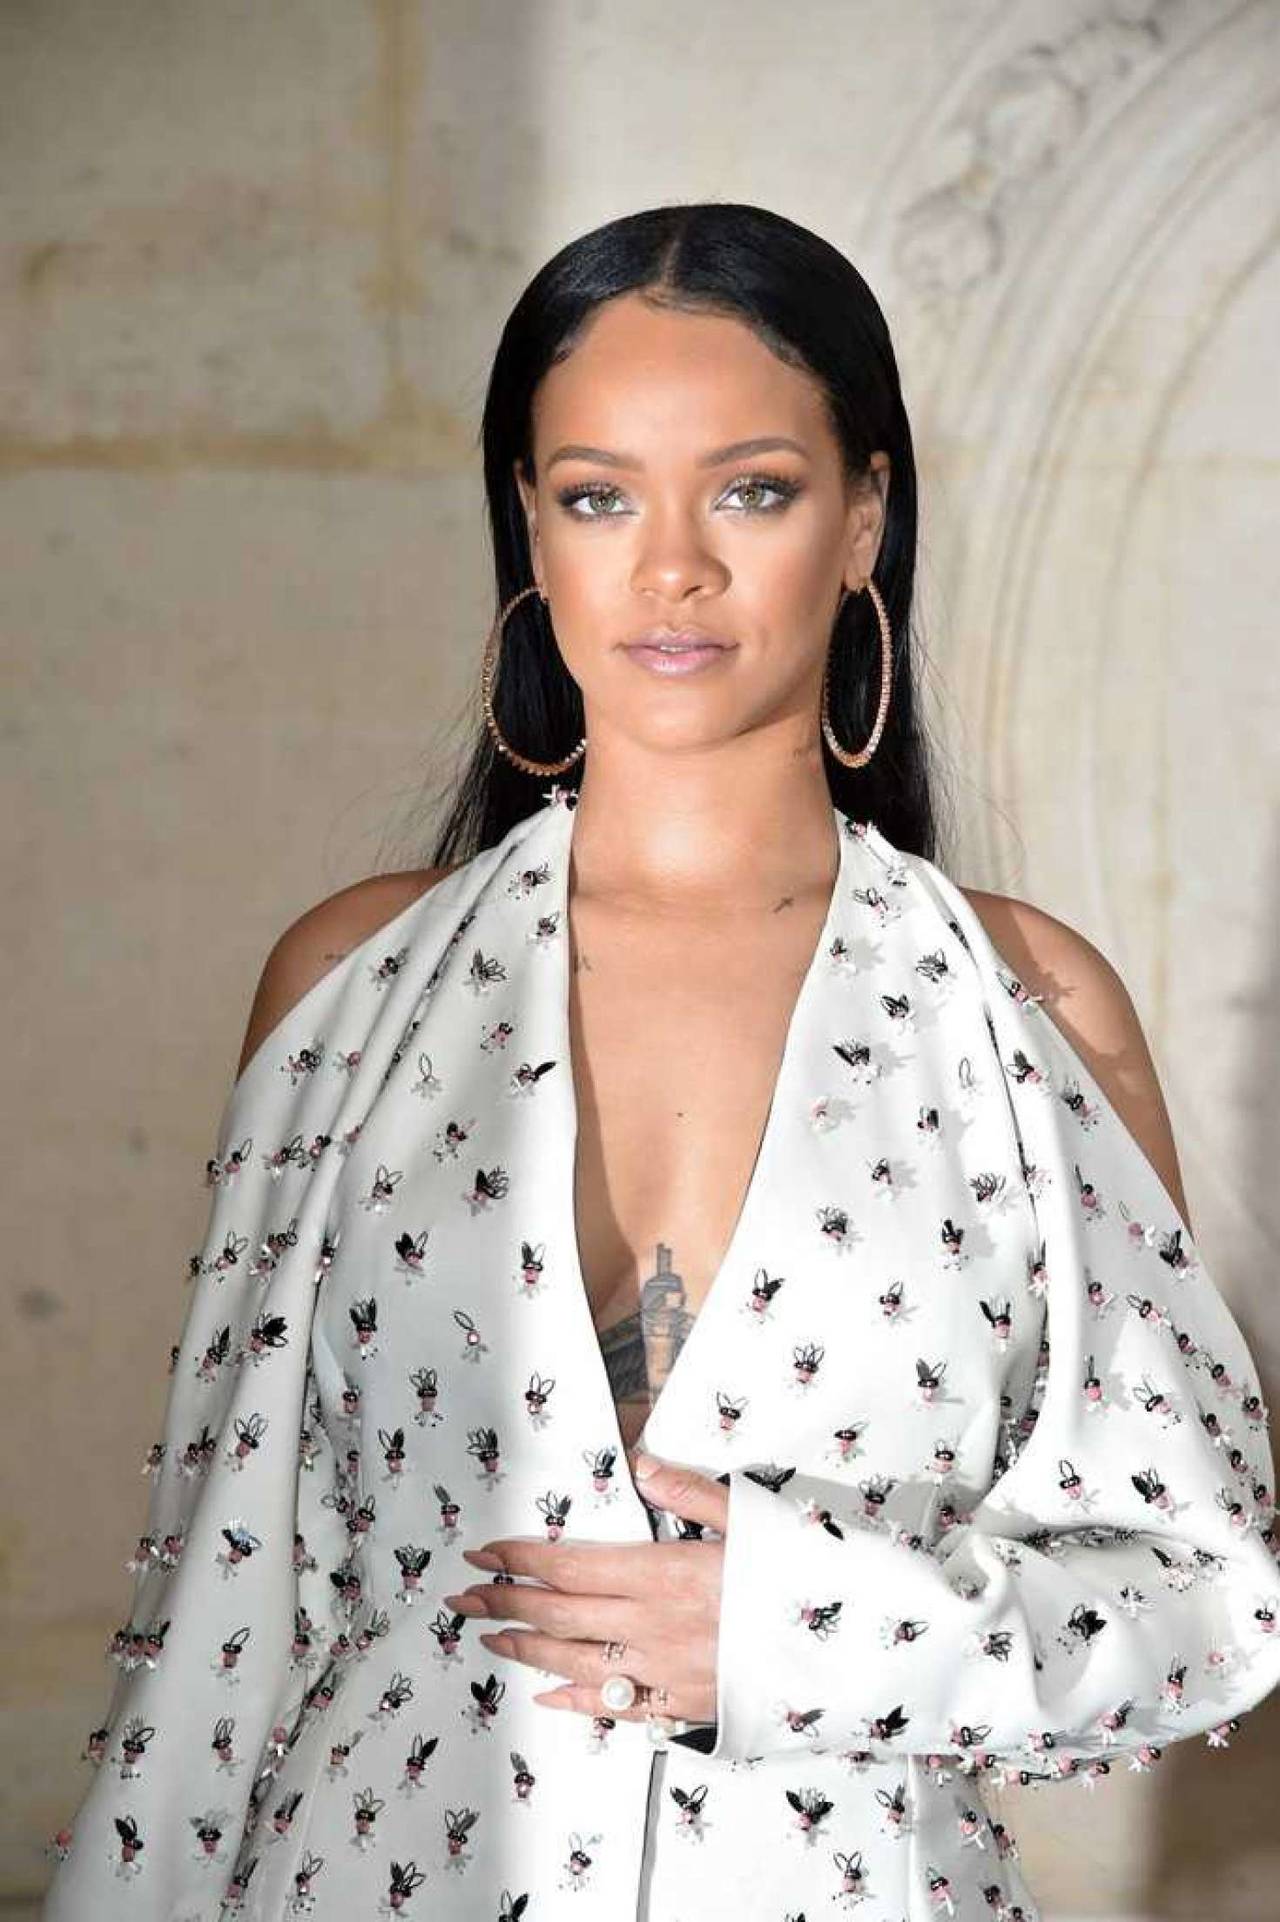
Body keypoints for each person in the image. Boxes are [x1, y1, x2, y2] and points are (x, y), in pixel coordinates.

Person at [42, 202, 1280, 1921]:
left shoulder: (1026, 1009)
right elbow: (217, 1617)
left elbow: (1206, 1596)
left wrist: (806, 1632)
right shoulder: (352, 991)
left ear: (863, 516)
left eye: (752, 491)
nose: (672, 566)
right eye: (599, 495)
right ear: (530, 531)